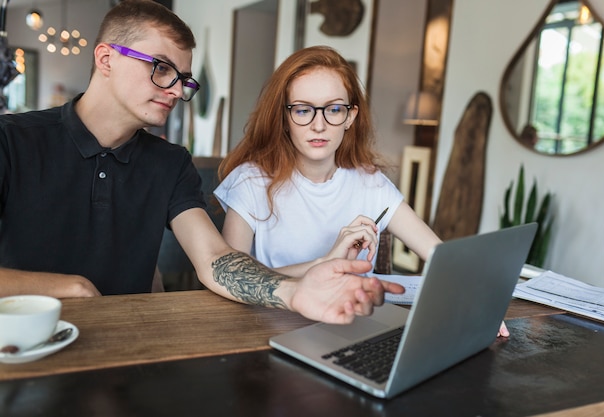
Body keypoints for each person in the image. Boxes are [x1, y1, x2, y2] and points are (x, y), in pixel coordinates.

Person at [0, 0, 403, 325]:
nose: (176, 89)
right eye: (162, 69)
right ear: (105, 59)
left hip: (129, 351)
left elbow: (215, 260)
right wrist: (71, 288)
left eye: (184, 78)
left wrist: (295, 293)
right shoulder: (12, 140)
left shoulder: (169, 162)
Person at [215, 46, 510, 336]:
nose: (319, 125)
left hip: (357, 330)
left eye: (333, 109)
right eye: (303, 110)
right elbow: (230, 280)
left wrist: (481, 300)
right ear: (284, 118)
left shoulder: (370, 182)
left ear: (350, 117)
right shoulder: (250, 182)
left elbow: (441, 256)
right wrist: (325, 263)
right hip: (274, 330)